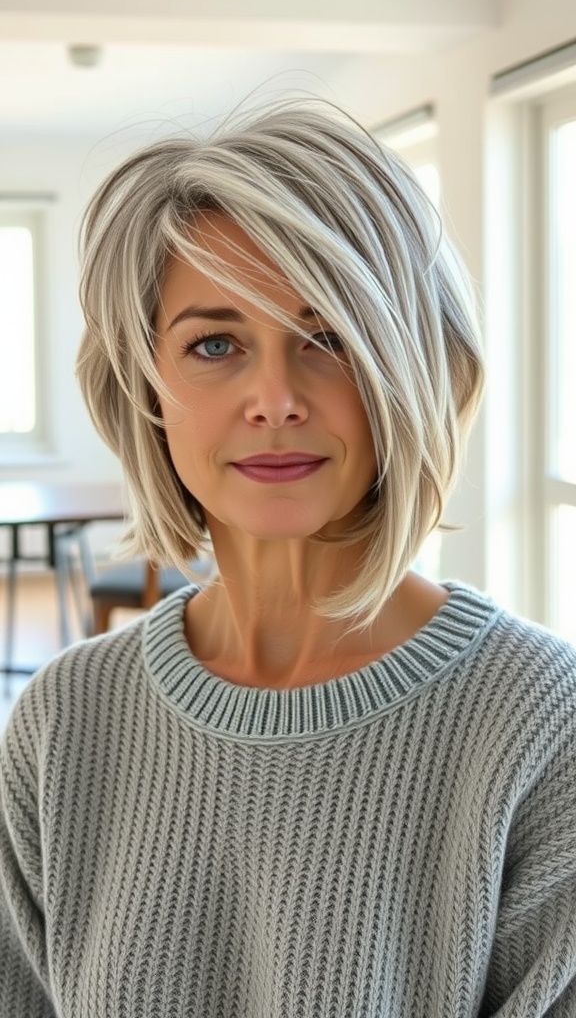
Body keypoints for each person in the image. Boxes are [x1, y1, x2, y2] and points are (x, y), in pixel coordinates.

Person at [1, 98, 575, 1018]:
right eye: (215, 343)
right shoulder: (63, 724)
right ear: (146, 385)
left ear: (415, 364)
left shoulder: (543, 727)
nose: (275, 397)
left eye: (330, 339)